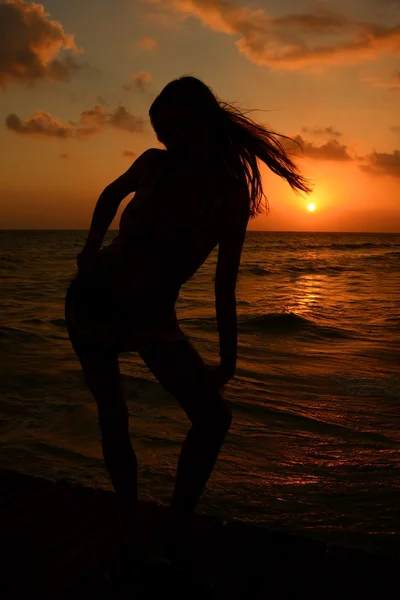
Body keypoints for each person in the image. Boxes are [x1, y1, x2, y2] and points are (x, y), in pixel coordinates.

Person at [64, 75, 311, 570]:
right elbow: (110, 195)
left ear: (204, 123)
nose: (168, 138)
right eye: (161, 129)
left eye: (177, 126)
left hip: (152, 314)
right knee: (114, 418)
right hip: (94, 299)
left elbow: (225, 283)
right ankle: (133, 533)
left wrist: (229, 358)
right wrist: (91, 247)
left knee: (213, 418)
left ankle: (174, 529)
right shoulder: (154, 165)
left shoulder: (228, 194)